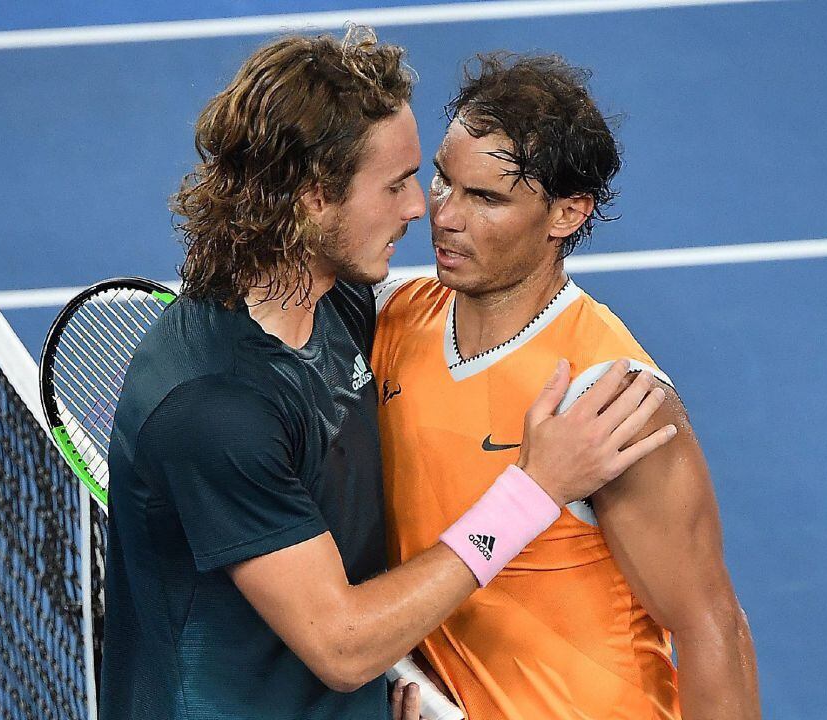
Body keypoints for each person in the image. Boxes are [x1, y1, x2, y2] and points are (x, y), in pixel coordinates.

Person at [99, 30, 677, 720]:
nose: (419, 209)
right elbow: (342, 645)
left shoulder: (340, 304)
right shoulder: (215, 406)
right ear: (315, 198)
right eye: (399, 183)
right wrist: (535, 490)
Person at [373, 54, 761, 720]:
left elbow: (709, 625)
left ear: (567, 214)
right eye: (443, 182)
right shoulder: (391, 315)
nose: (445, 216)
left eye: (486, 198)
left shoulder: (609, 393)